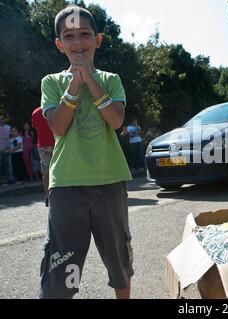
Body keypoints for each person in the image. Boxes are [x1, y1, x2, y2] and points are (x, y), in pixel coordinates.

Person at [39, 5, 133, 299]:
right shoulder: (51, 82)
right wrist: (74, 83)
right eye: (69, 36)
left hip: (110, 182)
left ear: (98, 39)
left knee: (118, 260)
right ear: (59, 44)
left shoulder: (111, 79)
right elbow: (58, 127)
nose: (78, 43)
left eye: (84, 34)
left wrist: (89, 78)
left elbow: (116, 121)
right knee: (64, 265)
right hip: (67, 185)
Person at [32, 106, 55, 206]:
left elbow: (36, 128)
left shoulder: (35, 112)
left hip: (42, 145)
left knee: (45, 171)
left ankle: (47, 196)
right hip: (55, 142)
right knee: (59, 168)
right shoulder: (54, 109)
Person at [0, 115, 14, 184]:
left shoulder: (8, 127)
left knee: (9, 164)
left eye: (2, 119)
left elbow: (11, 136)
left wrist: (9, 146)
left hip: (7, 148)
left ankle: (11, 179)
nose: (1, 120)